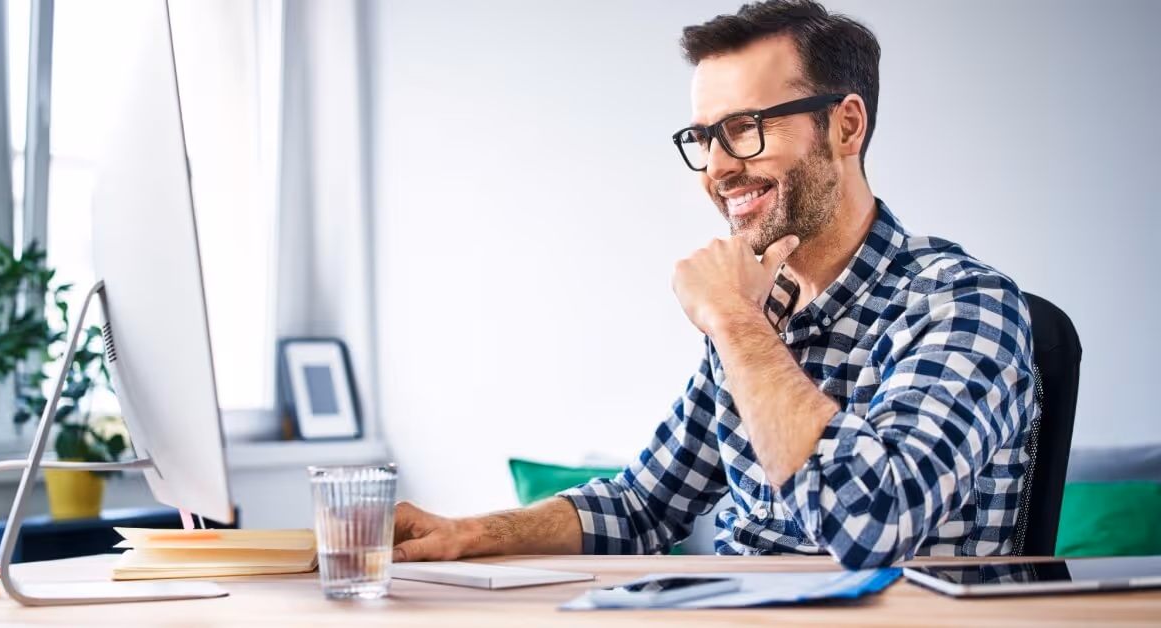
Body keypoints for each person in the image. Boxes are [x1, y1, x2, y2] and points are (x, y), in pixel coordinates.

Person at [392, 0, 1037, 570]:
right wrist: (470, 533)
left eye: (746, 128)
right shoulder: (760, 309)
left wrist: (733, 322)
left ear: (845, 126)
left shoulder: (964, 304)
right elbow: (644, 505)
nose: (720, 167)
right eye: (705, 137)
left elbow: (874, 527)